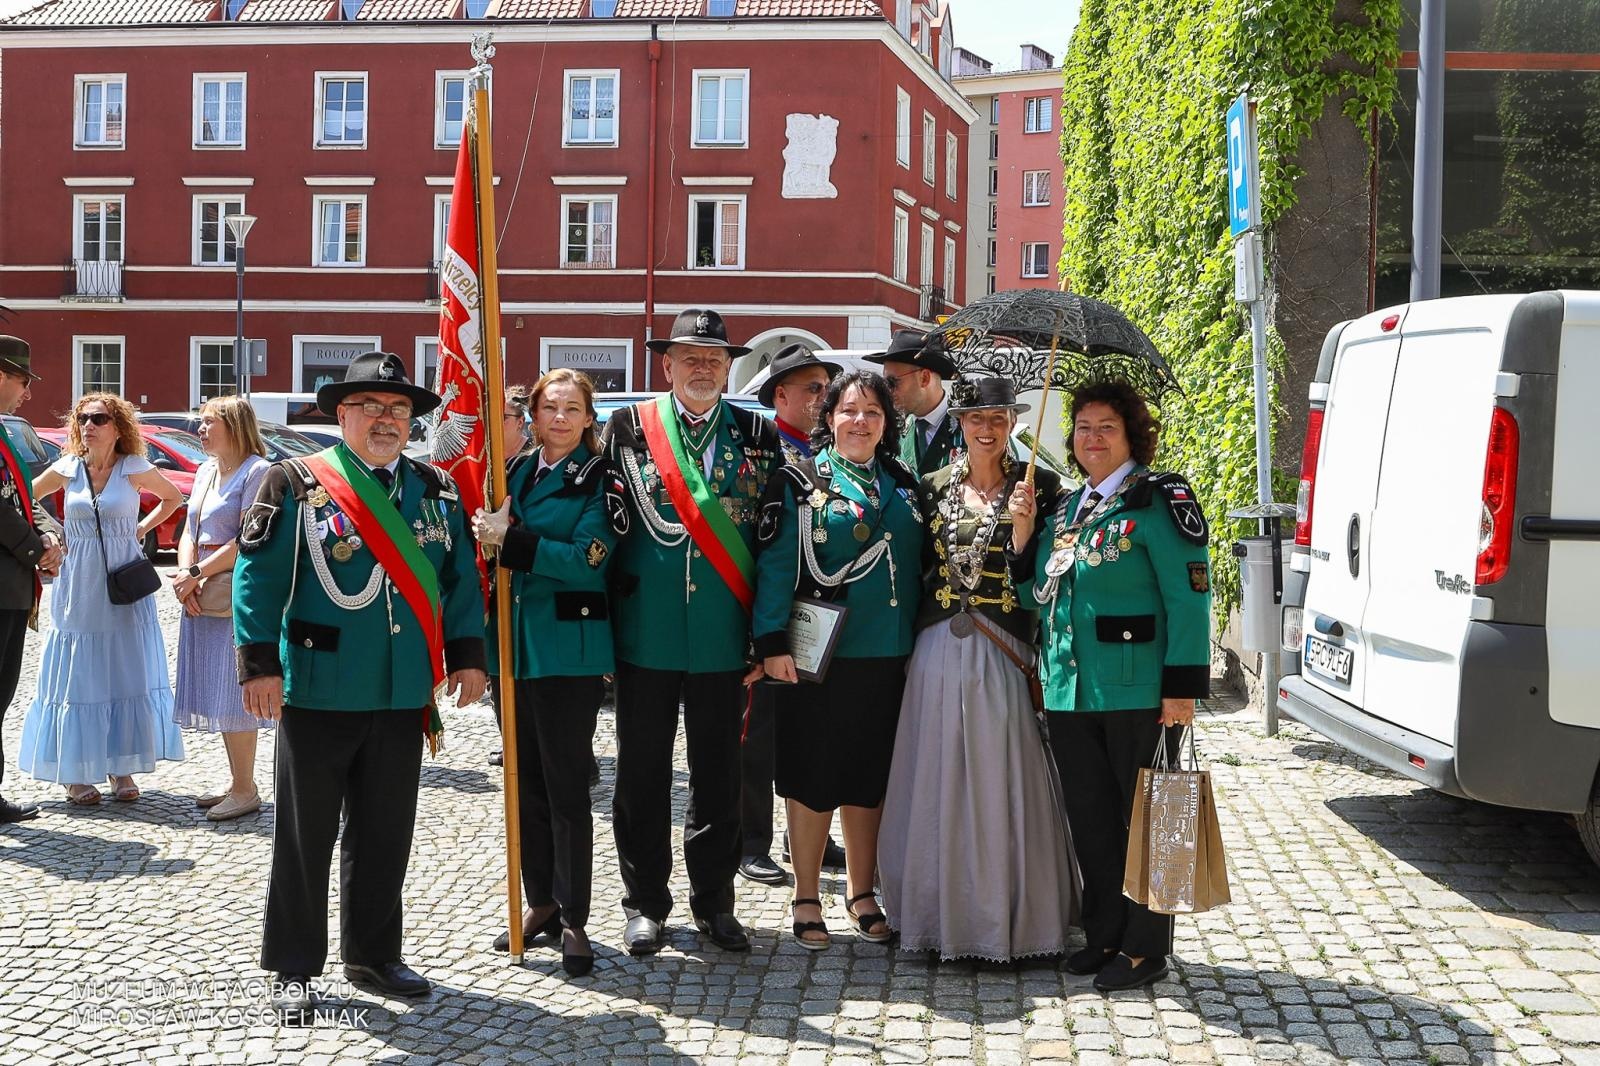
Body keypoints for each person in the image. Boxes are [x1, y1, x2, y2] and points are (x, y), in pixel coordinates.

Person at [234, 351, 486, 1016]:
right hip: (319, 688)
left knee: (383, 833)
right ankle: (292, 969)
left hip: (402, 691)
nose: (385, 419)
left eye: (398, 409)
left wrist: (467, 656)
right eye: (370, 406)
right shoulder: (294, 482)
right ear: (341, 413)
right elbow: (256, 578)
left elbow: (460, 582)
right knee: (304, 836)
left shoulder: (434, 489)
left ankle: (373, 955)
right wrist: (260, 666)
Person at [1007, 379, 1212, 992]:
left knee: (1147, 819)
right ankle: (1104, 934)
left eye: (1106, 428)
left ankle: (1147, 949)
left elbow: (1191, 596)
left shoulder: (1158, 499)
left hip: (1140, 693)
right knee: (1091, 820)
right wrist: (1022, 535)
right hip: (1070, 691)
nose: (1092, 438)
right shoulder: (1065, 509)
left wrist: (1181, 689)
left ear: (1130, 436)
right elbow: (1033, 599)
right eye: (1083, 428)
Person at [600, 308, 782, 956]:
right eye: (689, 357)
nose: (702, 367)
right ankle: (644, 903)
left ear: (728, 366)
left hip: (721, 640)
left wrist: (767, 638)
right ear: (666, 364)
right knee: (641, 778)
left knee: (718, 777)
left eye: (713, 358)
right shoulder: (625, 429)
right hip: (644, 636)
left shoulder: (757, 435)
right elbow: (599, 523)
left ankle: (715, 905)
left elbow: (776, 543)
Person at [878, 376, 1078, 962]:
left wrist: (1023, 534)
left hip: (1002, 652)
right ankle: (935, 916)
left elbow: (1048, 580)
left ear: (1013, 421)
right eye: (973, 418)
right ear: (960, 424)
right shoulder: (932, 485)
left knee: (998, 778)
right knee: (935, 775)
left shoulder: (1043, 487)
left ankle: (1007, 919)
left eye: (996, 417)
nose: (985, 427)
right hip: (938, 648)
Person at [752, 370, 923, 950]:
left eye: (872, 412)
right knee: (811, 773)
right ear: (828, 418)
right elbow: (776, 564)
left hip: (889, 652)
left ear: (886, 424)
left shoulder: (902, 483)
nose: (860, 421)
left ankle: (861, 890)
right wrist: (770, 644)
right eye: (849, 410)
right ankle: (805, 894)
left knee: (868, 776)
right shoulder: (800, 481)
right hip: (818, 655)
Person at [473, 368, 625, 978]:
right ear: (531, 417)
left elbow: (589, 560)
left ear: (590, 418)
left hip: (568, 653)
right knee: (523, 784)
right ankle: (538, 900)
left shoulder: (600, 481)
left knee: (565, 790)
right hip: (515, 650)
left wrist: (512, 542)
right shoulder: (513, 475)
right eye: (548, 408)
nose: (559, 418)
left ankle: (575, 916)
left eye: (571, 408)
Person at [18, 393, 184, 806]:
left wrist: (139, 528)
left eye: (98, 418)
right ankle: (75, 772)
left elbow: (173, 498)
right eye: (82, 419)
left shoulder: (134, 468)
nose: (88, 425)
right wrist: (52, 534)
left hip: (124, 581)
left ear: (118, 426)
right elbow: (25, 499)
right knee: (80, 672)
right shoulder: (67, 468)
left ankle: (119, 765)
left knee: (122, 670)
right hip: (80, 582)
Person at [739, 343, 845, 887]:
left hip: (820, 614)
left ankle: (810, 834)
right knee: (758, 732)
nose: (822, 397)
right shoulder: (761, 451)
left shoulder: (833, 454)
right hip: (768, 612)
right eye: (812, 388)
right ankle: (750, 841)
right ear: (779, 395)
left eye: (825, 387)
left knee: (809, 730)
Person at [170, 395, 272, 821]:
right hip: (199, 587)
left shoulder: (257, 472)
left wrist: (196, 573)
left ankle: (247, 788)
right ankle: (237, 780)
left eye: (209, 422)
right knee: (216, 686)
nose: (200, 430)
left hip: (231, 590)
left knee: (234, 691)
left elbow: (248, 538)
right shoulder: (207, 471)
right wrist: (184, 575)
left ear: (234, 424)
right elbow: (188, 530)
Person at [0, 337, 63, 823]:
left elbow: (22, 498)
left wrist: (48, 534)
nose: (26, 394)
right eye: (23, 382)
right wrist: (35, 547)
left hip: (12, 586)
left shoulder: (4, 434)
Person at [487, 384, 532, 771]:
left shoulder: (531, 467)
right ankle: (511, 742)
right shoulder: (484, 468)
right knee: (498, 674)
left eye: (500, 417)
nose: (491, 425)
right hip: (494, 592)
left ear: (520, 423)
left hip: (530, 591)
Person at [865, 329, 963, 475]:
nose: (888, 392)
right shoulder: (891, 431)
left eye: (892, 383)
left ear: (924, 378)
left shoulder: (968, 427)